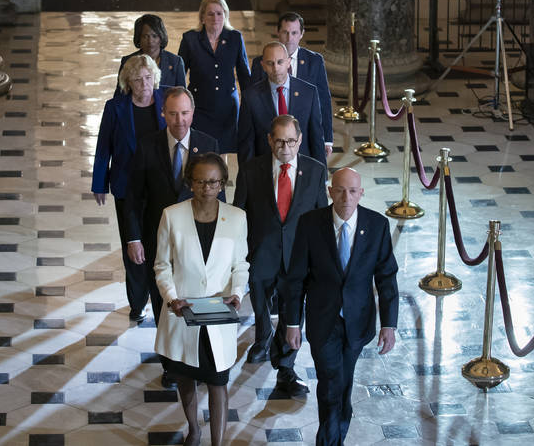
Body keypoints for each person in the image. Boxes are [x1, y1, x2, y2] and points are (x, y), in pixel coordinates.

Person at [284, 167, 399, 446]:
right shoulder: (310, 224)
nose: (346, 197)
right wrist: (291, 323)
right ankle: (329, 442)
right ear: (330, 191)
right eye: (340, 190)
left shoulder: (377, 225)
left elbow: (386, 278)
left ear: (361, 193)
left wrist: (389, 324)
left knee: (343, 384)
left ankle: (336, 435)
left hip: (358, 322)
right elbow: (296, 278)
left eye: (352, 191)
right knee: (330, 382)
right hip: (323, 321)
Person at [125, 86, 219, 387]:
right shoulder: (147, 146)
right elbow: (133, 198)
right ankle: (171, 364)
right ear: (163, 113)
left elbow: (221, 197)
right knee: (164, 300)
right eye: (174, 113)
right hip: (159, 240)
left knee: (196, 297)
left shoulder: (207, 144)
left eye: (185, 113)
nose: (180, 120)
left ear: (193, 113)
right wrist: (133, 238)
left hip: (198, 239)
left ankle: (198, 358)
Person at [155, 153, 248, 446]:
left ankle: (217, 443)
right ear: (190, 183)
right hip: (183, 314)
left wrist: (238, 291)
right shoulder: (172, 215)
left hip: (218, 316)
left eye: (213, 182)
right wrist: (172, 299)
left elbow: (240, 265)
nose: (207, 188)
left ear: (222, 184)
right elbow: (162, 265)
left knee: (218, 381)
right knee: (185, 377)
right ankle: (194, 429)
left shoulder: (236, 218)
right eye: (200, 182)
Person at [232, 115, 327, 397]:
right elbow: (239, 214)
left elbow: (321, 216)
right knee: (261, 305)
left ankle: (286, 365)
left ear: (299, 141)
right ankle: (262, 337)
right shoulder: (251, 170)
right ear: (270, 140)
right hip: (262, 254)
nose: (284, 147)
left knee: (292, 311)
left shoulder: (315, 170)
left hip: (298, 257)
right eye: (279, 140)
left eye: (290, 141)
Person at [91, 54, 165, 325]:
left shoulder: (165, 101)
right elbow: (103, 147)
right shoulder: (116, 107)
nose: (144, 84)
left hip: (160, 186)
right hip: (127, 186)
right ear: (127, 82)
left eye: (148, 78)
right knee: (133, 246)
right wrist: (100, 183)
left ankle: (162, 297)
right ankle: (137, 302)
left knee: (158, 243)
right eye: (137, 79)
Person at [250, 12, 333, 157]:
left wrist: (327, 140)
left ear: (302, 34)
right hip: (270, 138)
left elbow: (323, 101)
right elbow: (253, 103)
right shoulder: (260, 63)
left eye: (294, 33)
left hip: (302, 138)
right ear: (278, 33)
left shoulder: (314, 62)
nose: (289, 39)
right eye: (285, 32)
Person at [177, 0, 250, 153]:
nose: (215, 17)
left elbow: (244, 74)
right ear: (202, 17)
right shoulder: (190, 39)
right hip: (199, 106)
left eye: (219, 13)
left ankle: (221, 179)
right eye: (210, 13)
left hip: (227, 107)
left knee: (223, 151)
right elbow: (179, 74)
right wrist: (180, 105)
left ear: (225, 15)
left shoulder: (235, 38)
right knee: (200, 150)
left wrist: (250, 104)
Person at [237, 41, 325, 165]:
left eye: (280, 62)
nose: (276, 68)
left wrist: (322, 178)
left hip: (302, 168)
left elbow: (316, 138)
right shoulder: (251, 97)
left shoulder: (308, 92)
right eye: (270, 63)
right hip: (265, 168)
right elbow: (246, 143)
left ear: (288, 62)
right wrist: (246, 179)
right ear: (263, 65)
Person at [114, 14, 186, 98]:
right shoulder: (127, 61)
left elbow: (182, 95)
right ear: (139, 38)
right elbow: (120, 94)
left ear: (161, 37)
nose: (150, 40)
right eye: (145, 36)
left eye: (154, 36)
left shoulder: (175, 62)